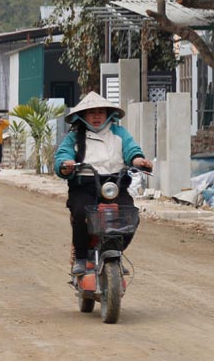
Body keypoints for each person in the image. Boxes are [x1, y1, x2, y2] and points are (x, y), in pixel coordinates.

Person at [54, 92, 153, 275]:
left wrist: (138, 160)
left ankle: (114, 253)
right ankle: (82, 257)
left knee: (129, 216)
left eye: (101, 112)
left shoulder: (120, 133)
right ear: (82, 116)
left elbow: (132, 149)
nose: (97, 116)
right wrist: (65, 165)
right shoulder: (74, 137)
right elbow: (63, 155)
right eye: (92, 112)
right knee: (81, 213)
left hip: (115, 185)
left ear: (109, 114)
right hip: (85, 186)